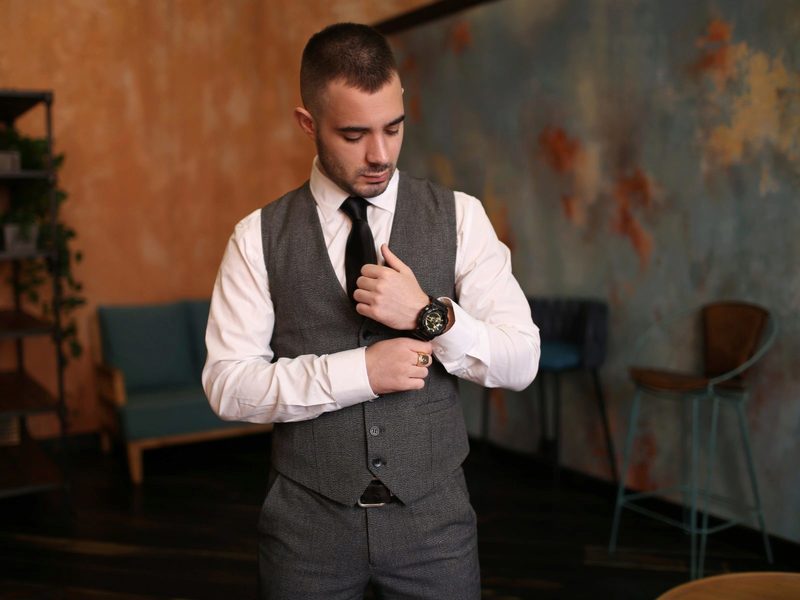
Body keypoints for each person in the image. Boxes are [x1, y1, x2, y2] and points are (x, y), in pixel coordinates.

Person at [202, 22, 539, 600]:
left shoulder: (461, 217)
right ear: (308, 123)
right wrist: (361, 372)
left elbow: (521, 361)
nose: (380, 154)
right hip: (305, 532)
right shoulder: (256, 237)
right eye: (354, 134)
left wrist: (430, 316)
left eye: (393, 127)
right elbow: (227, 386)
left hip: (435, 528)